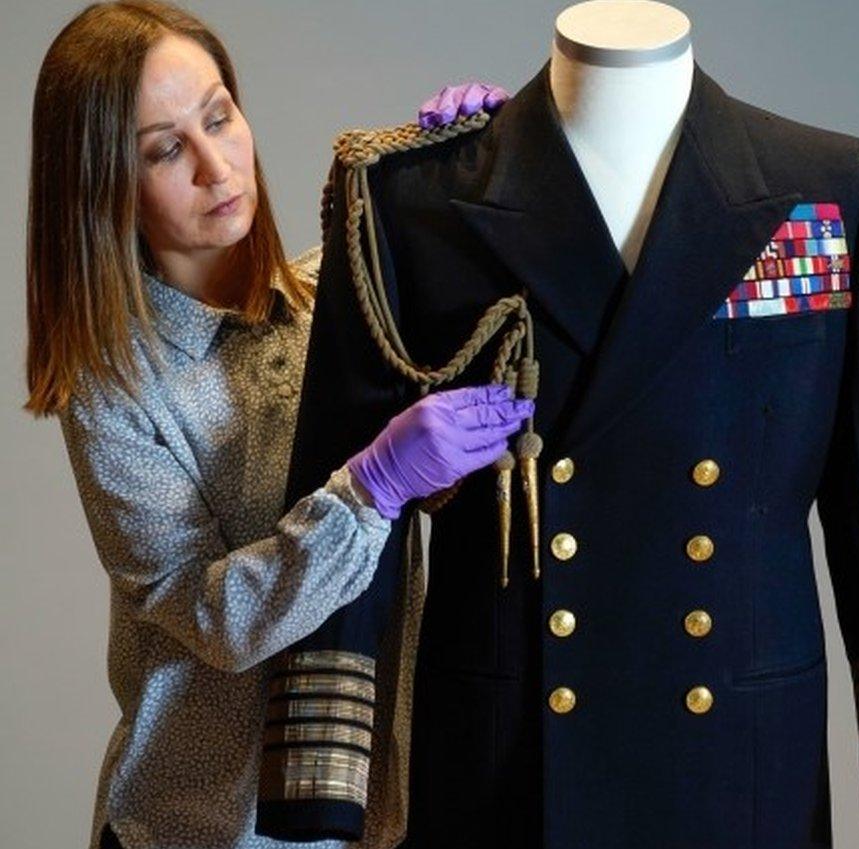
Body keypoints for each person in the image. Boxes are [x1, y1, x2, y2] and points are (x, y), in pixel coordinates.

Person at [21, 2, 529, 848]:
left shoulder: (337, 300)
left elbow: (493, 337)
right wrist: (373, 488)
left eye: (219, 116)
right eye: (165, 148)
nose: (218, 165)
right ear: (102, 184)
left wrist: (474, 168)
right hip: (206, 831)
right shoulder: (111, 392)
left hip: (371, 819)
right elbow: (216, 617)